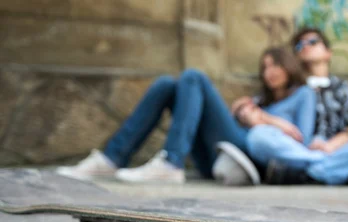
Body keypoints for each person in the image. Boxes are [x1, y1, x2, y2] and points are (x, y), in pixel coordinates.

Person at [56, 47, 316, 184]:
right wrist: (243, 112)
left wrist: (266, 119)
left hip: (248, 158)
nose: (269, 71)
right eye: (265, 67)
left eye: (276, 64)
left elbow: (300, 143)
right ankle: (111, 159)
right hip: (218, 159)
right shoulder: (261, 98)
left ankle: (171, 162)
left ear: (289, 66)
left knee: (193, 77)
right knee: (166, 86)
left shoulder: (304, 94)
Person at [246, 27, 348, 185]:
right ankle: (335, 170)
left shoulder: (342, 88)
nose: (305, 46)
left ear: (328, 52)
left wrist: (329, 146)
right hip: (298, 150)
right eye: (299, 45)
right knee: (256, 137)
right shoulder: (292, 88)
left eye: (312, 42)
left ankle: (309, 173)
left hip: (338, 149)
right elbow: (252, 109)